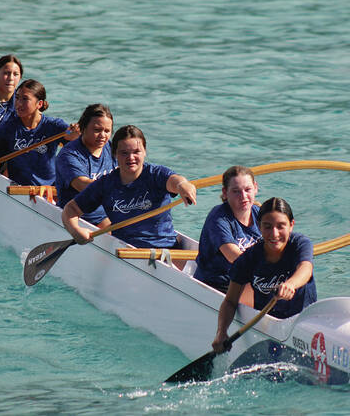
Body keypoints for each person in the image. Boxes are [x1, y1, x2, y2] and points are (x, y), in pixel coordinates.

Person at [62, 124, 197, 249]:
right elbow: (71, 209)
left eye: (136, 152)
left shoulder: (156, 174)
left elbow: (174, 180)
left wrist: (182, 185)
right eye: (124, 153)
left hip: (166, 248)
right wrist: (75, 230)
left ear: (145, 152)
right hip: (127, 251)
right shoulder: (106, 184)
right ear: (115, 154)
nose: (131, 157)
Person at [211, 197, 317, 353]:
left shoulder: (300, 244)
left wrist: (290, 284)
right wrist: (221, 332)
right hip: (268, 329)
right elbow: (230, 301)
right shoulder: (249, 258)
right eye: (267, 226)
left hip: (304, 324)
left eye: (281, 226)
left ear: (291, 225)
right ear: (259, 226)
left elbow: (305, 268)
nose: (274, 234)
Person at [0, 79, 78, 186]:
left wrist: (77, 133)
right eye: (17, 98)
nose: (18, 103)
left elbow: (77, 139)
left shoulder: (54, 125)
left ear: (39, 104)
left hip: (48, 189)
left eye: (25, 99)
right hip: (18, 188)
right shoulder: (9, 126)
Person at [194, 166, 261, 303]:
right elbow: (234, 257)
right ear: (225, 193)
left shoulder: (260, 214)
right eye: (236, 191)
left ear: (255, 188)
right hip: (216, 285)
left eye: (247, 189)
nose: (243, 196)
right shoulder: (218, 218)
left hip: (244, 281)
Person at [55, 104, 117, 226]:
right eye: (97, 130)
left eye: (107, 131)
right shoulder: (69, 155)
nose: (103, 135)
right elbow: (83, 185)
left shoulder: (112, 149)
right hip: (81, 217)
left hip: (111, 211)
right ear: (83, 128)